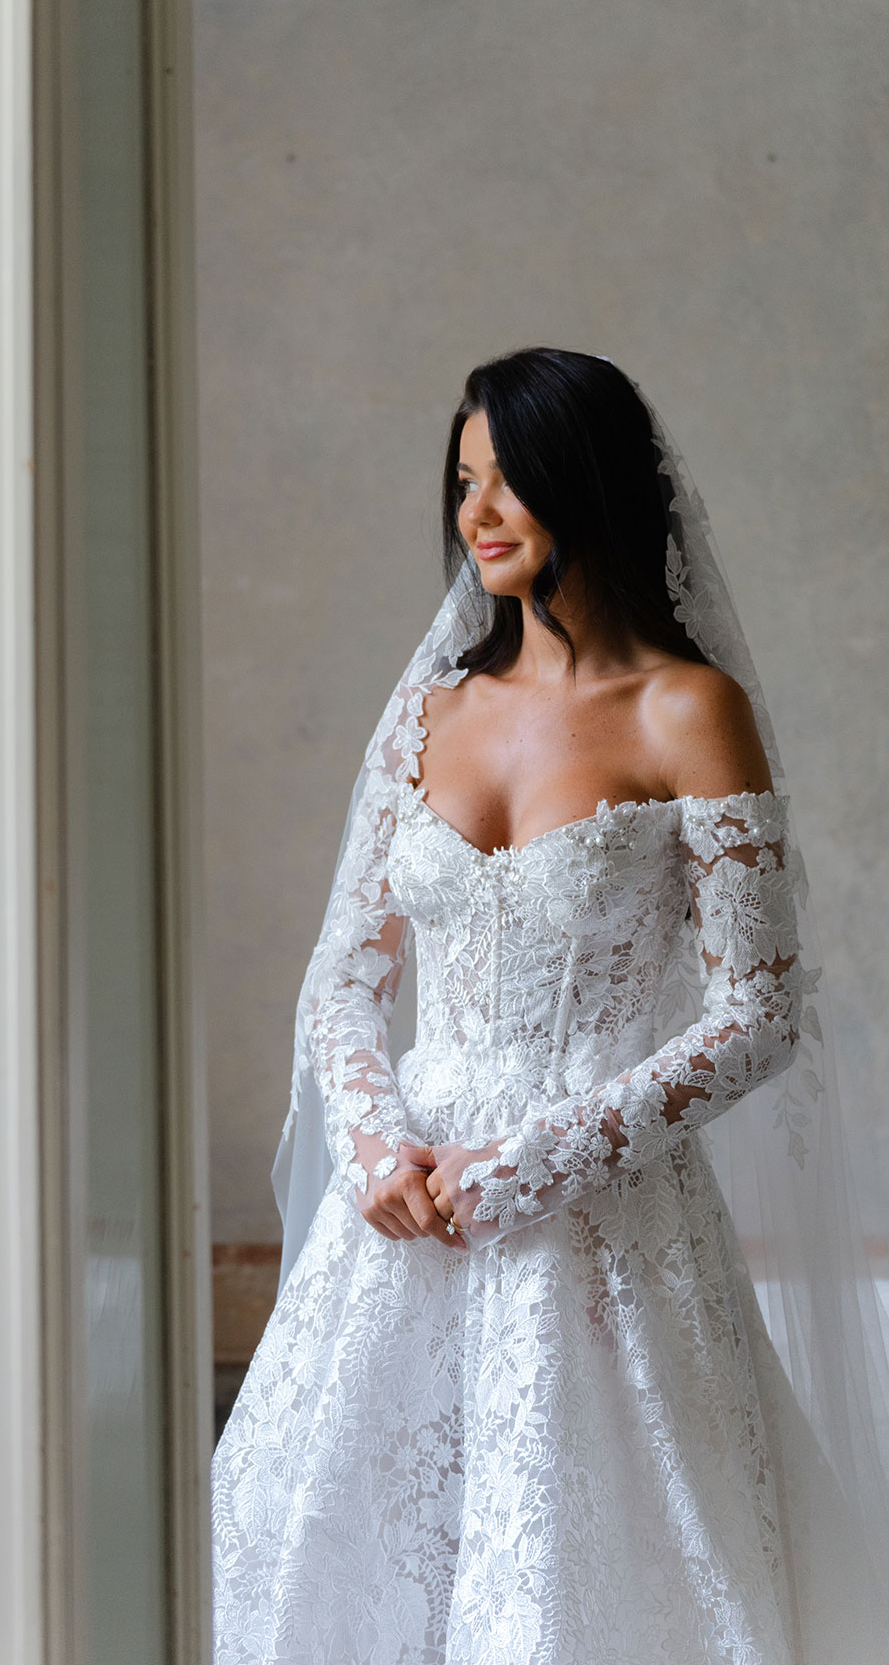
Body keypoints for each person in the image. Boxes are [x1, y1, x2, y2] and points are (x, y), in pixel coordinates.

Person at [211, 348, 889, 1664]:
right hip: (406, 1213)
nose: (476, 512)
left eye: (509, 479)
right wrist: (374, 1148)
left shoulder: (689, 709)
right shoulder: (430, 714)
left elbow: (757, 1011)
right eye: (464, 481)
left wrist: (534, 1162)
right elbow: (347, 971)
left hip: (600, 1213)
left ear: (591, 482)